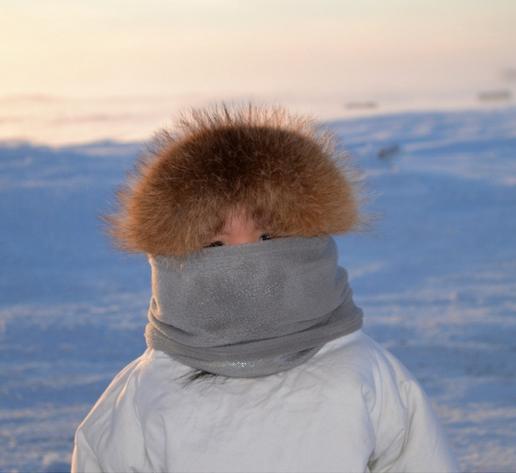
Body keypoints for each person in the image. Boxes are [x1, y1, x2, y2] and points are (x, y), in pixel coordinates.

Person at [71, 102, 459, 472]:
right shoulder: (149, 390)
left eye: (269, 237)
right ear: (172, 256)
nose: (246, 264)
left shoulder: (360, 372)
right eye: (214, 245)